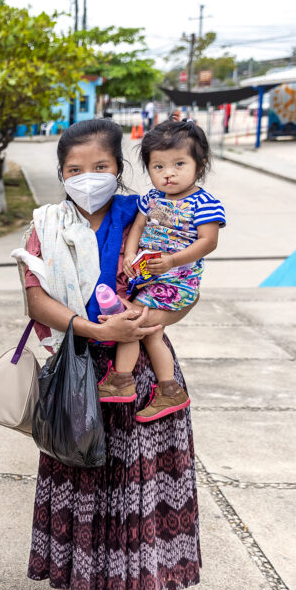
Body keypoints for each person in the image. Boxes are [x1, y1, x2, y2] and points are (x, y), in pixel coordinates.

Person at [11, 118, 200, 590]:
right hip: (77, 365)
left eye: (100, 166)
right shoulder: (45, 224)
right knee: (75, 472)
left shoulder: (148, 212)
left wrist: (155, 321)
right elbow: (35, 299)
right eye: (75, 168)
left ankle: (147, 584)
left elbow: (182, 279)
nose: (88, 176)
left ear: (119, 170)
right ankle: (67, 582)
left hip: (139, 365)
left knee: (142, 476)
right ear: (60, 173)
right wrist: (96, 326)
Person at [99, 120, 224, 421]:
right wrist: (130, 254)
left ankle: (122, 380)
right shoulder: (151, 199)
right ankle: (169, 389)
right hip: (149, 278)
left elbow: (209, 242)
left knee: (132, 321)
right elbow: (138, 228)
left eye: (179, 164)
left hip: (178, 280)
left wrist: (171, 261)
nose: (168, 173)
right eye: (158, 167)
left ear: (200, 164)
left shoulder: (204, 203)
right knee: (152, 334)